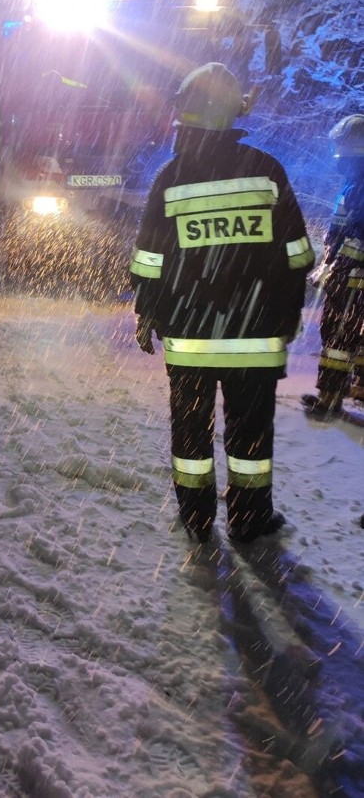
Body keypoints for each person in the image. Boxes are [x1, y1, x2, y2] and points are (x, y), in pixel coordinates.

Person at [129, 63, 315, 544]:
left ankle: (195, 517)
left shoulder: (169, 179)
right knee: (250, 437)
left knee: (191, 434)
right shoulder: (266, 170)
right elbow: (298, 255)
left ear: (185, 121)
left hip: (189, 338)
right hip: (255, 337)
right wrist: (287, 311)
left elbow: (148, 260)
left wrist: (147, 311)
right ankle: (249, 520)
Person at [302, 115, 364, 420]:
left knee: (339, 336)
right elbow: (342, 229)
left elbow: (356, 236)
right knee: (351, 336)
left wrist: (338, 266)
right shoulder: (355, 184)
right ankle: (351, 391)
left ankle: (330, 399)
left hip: (351, 281)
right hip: (349, 277)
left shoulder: (360, 186)